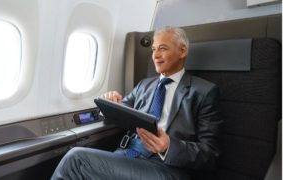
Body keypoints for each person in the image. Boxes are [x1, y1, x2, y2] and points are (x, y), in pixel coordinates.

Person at [51, 26, 223, 180]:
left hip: (166, 167)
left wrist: (168, 146)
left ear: (182, 50)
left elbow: (210, 154)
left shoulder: (204, 92)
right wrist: (111, 103)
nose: (155, 55)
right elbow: (122, 112)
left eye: (162, 49)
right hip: (128, 155)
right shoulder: (144, 85)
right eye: (154, 49)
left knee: (77, 159)